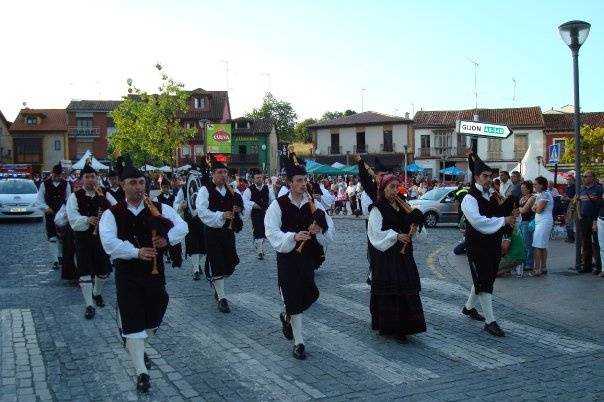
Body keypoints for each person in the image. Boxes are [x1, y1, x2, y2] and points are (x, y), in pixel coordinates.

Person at [99, 155, 188, 393]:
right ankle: (141, 372)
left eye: (141, 182)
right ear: (122, 184)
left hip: (154, 273)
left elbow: (182, 226)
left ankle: (134, 341)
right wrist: (136, 252)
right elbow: (108, 242)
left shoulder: (159, 208)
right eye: (133, 183)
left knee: (157, 309)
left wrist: (166, 239)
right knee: (133, 319)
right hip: (127, 275)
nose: (138, 187)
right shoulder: (113, 213)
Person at [264, 153, 334, 359]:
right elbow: (271, 232)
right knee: (293, 297)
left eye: (305, 180)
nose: (303, 184)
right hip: (287, 258)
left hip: (307, 259)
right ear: (289, 182)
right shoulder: (278, 205)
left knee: (311, 294)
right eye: (299, 181)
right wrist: (293, 236)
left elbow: (330, 230)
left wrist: (318, 230)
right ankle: (299, 342)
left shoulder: (314, 204)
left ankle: (287, 316)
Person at [461, 153, 516, 337]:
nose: (488, 179)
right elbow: (478, 222)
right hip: (476, 245)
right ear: (476, 177)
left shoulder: (492, 194)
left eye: (489, 176)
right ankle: (490, 321)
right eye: (484, 176)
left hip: (492, 243)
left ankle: (469, 308)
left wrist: (510, 212)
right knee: (484, 280)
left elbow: (500, 213)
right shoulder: (469, 198)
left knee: (485, 277)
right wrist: (503, 220)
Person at [367, 174, 427, 341]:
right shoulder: (377, 208)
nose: (394, 190)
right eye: (391, 187)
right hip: (387, 256)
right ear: (383, 189)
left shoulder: (403, 206)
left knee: (406, 287)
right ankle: (391, 326)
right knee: (391, 289)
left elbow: (413, 226)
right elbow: (375, 233)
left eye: (396, 187)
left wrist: (414, 229)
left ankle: (407, 326)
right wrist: (395, 236)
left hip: (404, 255)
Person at [66, 161, 117, 319]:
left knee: (103, 272)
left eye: (93, 177)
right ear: (81, 179)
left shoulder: (105, 194)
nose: (91, 180)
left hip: (101, 238)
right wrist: (87, 220)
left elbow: (117, 210)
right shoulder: (75, 197)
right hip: (83, 239)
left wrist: (106, 214)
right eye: (87, 177)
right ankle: (89, 304)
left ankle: (97, 292)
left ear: (97, 178)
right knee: (85, 271)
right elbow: (72, 218)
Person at [196, 155, 244, 313]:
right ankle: (222, 298)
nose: (223, 175)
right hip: (212, 232)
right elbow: (202, 211)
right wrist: (221, 216)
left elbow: (240, 205)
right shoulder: (205, 190)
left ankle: (217, 286)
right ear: (213, 173)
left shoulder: (231, 190)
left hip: (228, 232)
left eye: (225, 172)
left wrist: (238, 209)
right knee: (217, 262)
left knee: (230, 262)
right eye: (220, 172)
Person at [174, 163, 209, 280]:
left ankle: (198, 264)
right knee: (193, 245)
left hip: (203, 220)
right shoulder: (183, 190)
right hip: (190, 221)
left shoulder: (205, 188)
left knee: (203, 246)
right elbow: (176, 203)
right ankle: (195, 269)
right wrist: (180, 206)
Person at [35, 162, 71, 270]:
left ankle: (60, 257)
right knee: (52, 238)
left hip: (62, 214)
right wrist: (46, 208)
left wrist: (65, 211)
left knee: (61, 237)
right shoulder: (44, 184)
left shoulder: (66, 184)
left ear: (62, 175)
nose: (57, 177)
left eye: (59, 176)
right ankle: (55, 260)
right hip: (50, 214)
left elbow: (69, 199)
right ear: (52, 174)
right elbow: (39, 200)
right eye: (55, 175)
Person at [242, 167, 275, 260]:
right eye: (257, 178)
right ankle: (260, 252)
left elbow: (272, 199)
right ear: (253, 179)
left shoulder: (268, 188)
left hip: (266, 213)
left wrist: (271, 207)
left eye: (260, 177)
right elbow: (244, 200)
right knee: (258, 230)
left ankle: (259, 245)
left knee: (264, 232)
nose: (259, 179)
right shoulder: (249, 190)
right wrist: (253, 204)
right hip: (255, 213)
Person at [578, 171, 603, 273]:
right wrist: (579, 215)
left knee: (597, 243)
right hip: (584, 218)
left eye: (586, 176)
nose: (583, 178)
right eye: (583, 176)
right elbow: (579, 202)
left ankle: (599, 266)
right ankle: (586, 266)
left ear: (592, 177)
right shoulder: (582, 189)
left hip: (594, 219)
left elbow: (600, 206)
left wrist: (595, 220)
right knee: (585, 242)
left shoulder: (598, 189)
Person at [530, 176, 554, 277]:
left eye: (536, 184)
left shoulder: (545, 195)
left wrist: (535, 207)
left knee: (537, 245)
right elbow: (535, 208)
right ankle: (543, 267)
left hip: (544, 221)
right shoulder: (541, 194)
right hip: (542, 221)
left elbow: (538, 209)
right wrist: (535, 207)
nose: (534, 186)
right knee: (542, 245)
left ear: (541, 185)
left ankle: (537, 269)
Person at [155, 179, 183, 268]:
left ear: (169, 187)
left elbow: (176, 210)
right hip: (162, 222)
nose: (165, 189)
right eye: (163, 187)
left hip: (172, 223)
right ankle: (166, 254)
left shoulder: (174, 198)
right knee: (165, 239)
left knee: (173, 239)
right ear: (161, 188)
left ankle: (174, 257)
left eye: (167, 187)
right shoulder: (156, 199)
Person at [518, 181, 536, 272]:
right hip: (521, 222)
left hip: (528, 222)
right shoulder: (522, 198)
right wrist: (519, 209)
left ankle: (529, 263)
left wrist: (519, 209)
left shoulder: (532, 198)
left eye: (523, 188)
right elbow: (518, 210)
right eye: (521, 188)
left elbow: (524, 210)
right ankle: (523, 262)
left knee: (528, 243)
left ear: (528, 189)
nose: (522, 190)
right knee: (522, 244)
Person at [562, 175, 577, 243]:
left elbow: (576, 198)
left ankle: (571, 238)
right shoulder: (566, 187)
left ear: (573, 180)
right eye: (567, 179)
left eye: (570, 179)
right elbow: (565, 195)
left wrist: (569, 199)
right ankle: (569, 236)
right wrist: (563, 197)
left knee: (570, 223)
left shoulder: (575, 188)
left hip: (571, 207)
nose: (568, 181)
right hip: (565, 206)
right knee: (567, 222)